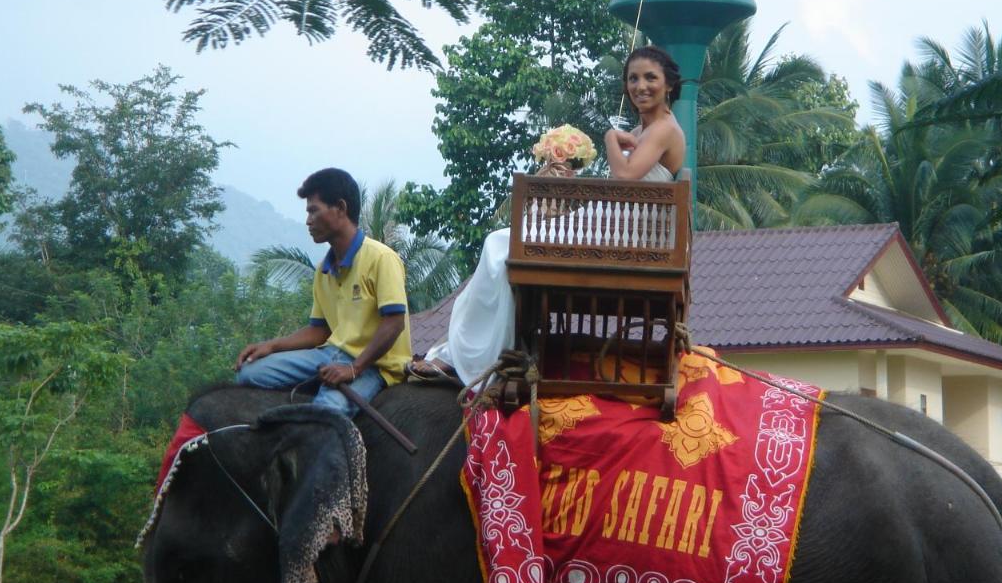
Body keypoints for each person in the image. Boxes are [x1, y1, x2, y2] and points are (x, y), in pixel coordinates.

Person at [408, 46, 686, 386]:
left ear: (669, 84)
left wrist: (611, 137)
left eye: (650, 78)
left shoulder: (662, 128)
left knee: (501, 243)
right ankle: (473, 348)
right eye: (633, 78)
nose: (640, 86)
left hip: (628, 234)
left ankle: (467, 355)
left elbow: (627, 177)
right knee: (505, 242)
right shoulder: (648, 130)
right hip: (622, 224)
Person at [235, 168, 412, 416]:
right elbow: (319, 331)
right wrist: (271, 346)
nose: (308, 221)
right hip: (329, 354)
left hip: (375, 365)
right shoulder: (324, 271)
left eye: (313, 210)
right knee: (249, 373)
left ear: (340, 208)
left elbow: (394, 323)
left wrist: (354, 369)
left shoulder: (382, 258)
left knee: (327, 410)